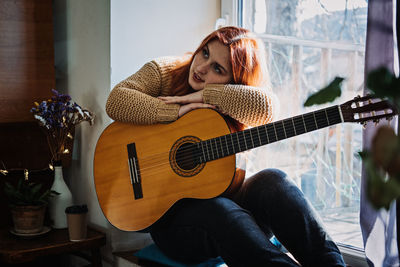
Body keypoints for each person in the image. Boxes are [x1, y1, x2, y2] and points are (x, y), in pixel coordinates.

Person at [105, 26, 346, 267]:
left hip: (230, 215)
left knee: (275, 181)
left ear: (233, 83)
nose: (201, 68)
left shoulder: (234, 99)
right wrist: (176, 110)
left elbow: (269, 108)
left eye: (217, 69)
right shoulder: (166, 72)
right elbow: (116, 101)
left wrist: (206, 95)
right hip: (173, 225)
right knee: (220, 210)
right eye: (205, 53)